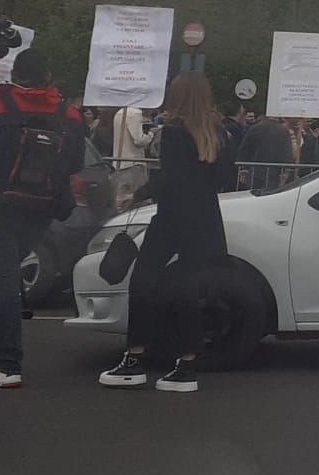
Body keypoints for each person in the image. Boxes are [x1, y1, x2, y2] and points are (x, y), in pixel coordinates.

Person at [99, 71, 237, 392]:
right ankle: (187, 364)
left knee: (143, 283)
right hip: (205, 220)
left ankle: (135, 358)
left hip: (173, 218)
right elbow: (226, 178)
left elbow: (169, 179)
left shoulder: (175, 133)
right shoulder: (220, 133)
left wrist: (137, 194)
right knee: (189, 291)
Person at [0, 48, 84, 388]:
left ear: (15, 76)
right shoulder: (70, 115)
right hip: (39, 209)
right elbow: (75, 163)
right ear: (48, 76)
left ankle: (7, 365)